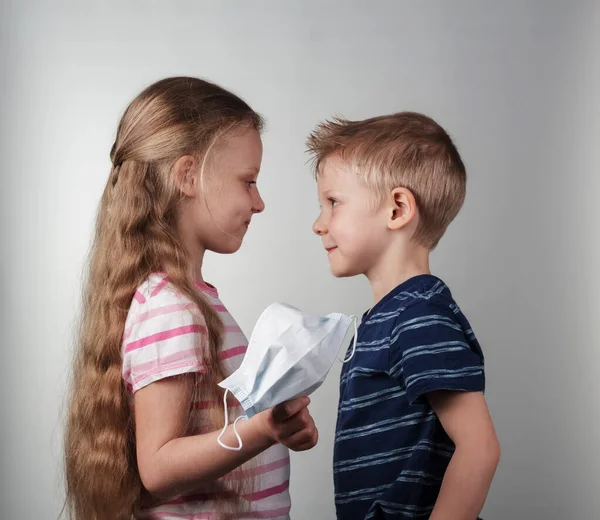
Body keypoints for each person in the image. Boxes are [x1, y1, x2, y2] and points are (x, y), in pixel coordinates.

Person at [64, 76, 317, 520]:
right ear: (187, 176)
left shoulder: (187, 300)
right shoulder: (171, 307)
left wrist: (274, 424)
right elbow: (159, 467)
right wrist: (261, 429)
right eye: (248, 181)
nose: (259, 203)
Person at [308, 112, 501, 519]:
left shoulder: (419, 317)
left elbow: (479, 447)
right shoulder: (392, 317)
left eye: (333, 203)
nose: (318, 224)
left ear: (397, 209)